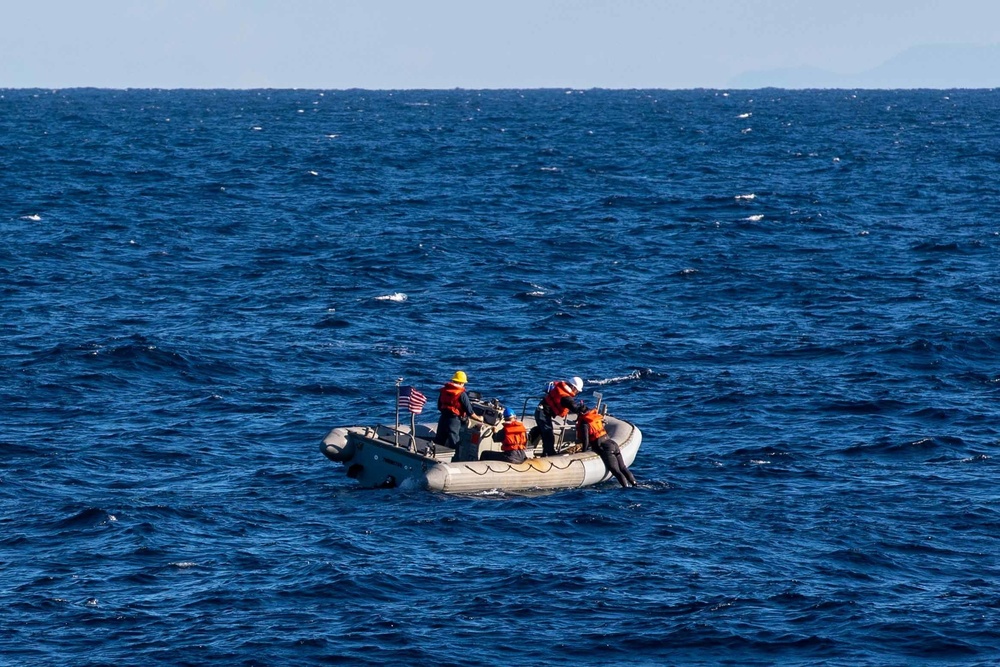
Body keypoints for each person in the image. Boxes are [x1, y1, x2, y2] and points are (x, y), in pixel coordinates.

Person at [576, 403, 636, 488]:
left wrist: (583, 452)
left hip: (605, 447)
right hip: (612, 443)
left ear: (581, 414)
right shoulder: (594, 418)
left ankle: (626, 488)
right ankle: (635, 484)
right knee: (623, 467)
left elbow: (586, 440)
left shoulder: (584, 423)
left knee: (615, 470)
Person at [533, 376, 584, 456]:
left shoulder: (561, 389)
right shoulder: (565, 396)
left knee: (544, 431)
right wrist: (584, 409)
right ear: (573, 387)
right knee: (548, 435)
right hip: (543, 413)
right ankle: (548, 454)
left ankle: (541, 447)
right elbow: (573, 407)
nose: (577, 392)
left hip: (542, 411)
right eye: (577, 390)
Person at [432, 370, 481, 452]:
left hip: (443, 418)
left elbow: (439, 406)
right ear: (461, 383)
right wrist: (480, 419)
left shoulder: (444, 391)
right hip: (454, 420)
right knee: (454, 441)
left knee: (439, 440)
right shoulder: (461, 394)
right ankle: (455, 460)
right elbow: (470, 412)